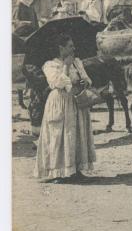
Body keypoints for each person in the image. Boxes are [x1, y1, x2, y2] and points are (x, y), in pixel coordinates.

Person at [34, 34, 97, 183]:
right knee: (59, 135)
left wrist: (84, 82)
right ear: (61, 48)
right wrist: (66, 66)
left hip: (76, 101)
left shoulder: (77, 62)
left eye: (73, 45)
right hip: (60, 102)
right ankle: (57, 172)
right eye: (70, 46)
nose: (73, 48)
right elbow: (58, 83)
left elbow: (88, 79)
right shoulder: (50, 65)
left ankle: (75, 170)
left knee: (77, 134)